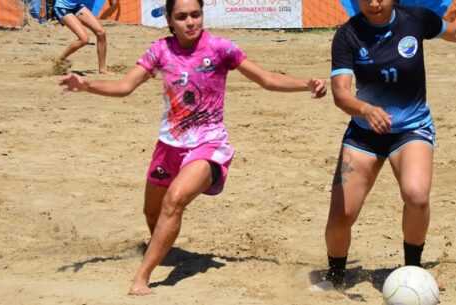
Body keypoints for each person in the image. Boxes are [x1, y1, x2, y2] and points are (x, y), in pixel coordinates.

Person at [58, 0, 327, 295]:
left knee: (174, 201)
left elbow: (266, 79)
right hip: (168, 146)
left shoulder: (221, 48)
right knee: (152, 212)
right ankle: (162, 246)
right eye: (182, 17)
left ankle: (142, 277)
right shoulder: (160, 50)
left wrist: (306, 84)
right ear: (170, 21)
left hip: (208, 145)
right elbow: (124, 87)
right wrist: (87, 85)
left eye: (196, 15)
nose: (190, 22)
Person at [323, 0, 456, 288]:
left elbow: (453, 32)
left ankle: (413, 270)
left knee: (416, 196)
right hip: (364, 133)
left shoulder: (414, 19)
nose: (373, 3)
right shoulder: (347, 35)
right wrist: (365, 109)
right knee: (342, 215)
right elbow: (341, 94)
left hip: (411, 129)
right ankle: (335, 276)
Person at [52, 0, 108, 73]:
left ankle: (102, 69)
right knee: (84, 39)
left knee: (101, 33)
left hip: (77, 5)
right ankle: (60, 60)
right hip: (62, 7)